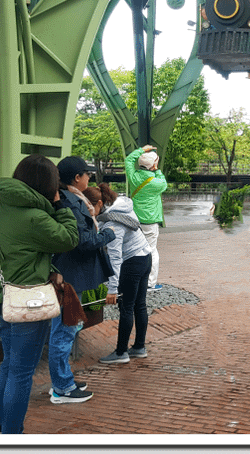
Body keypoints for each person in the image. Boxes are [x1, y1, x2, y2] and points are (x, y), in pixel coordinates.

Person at [0, 154, 79, 434]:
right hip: (27, 303)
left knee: (10, 364)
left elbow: (18, 254)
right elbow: (70, 238)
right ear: (48, 185)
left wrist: (48, 267)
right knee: (21, 373)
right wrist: (60, 206)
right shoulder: (34, 217)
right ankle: (12, 435)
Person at [46, 156, 116, 404]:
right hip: (71, 276)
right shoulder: (71, 202)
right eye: (87, 174)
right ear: (77, 177)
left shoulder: (70, 199)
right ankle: (62, 388)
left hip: (71, 274)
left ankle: (63, 380)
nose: (89, 178)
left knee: (66, 329)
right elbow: (83, 242)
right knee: (64, 332)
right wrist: (107, 234)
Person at [91, 183, 152, 365]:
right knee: (139, 305)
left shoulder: (113, 222)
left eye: (89, 207)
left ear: (100, 202)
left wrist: (112, 289)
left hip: (131, 262)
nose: (88, 211)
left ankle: (121, 352)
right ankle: (139, 347)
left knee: (126, 306)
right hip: (145, 256)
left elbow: (115, 258)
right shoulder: (121, 204)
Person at [124, 145, 168, 290]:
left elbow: (129, 160)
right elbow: (164, 184)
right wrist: (157, 170)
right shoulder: (157, 183)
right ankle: (149, 283)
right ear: (153, 165)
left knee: (134, 249)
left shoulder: (134, 177)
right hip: (150, 221)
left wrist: (142, 150)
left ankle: (130, 279)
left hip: (134, 219)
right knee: (151, 251)